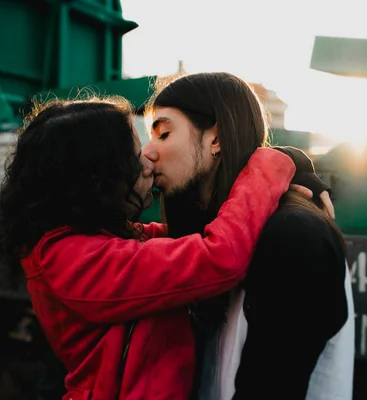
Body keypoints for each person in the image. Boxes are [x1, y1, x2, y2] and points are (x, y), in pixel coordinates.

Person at [0, 94, 325, 399]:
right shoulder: (75, 259)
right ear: (100, 173)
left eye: (161, 137)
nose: (149, 158)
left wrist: (292, 166)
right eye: (135, 153)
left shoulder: (99, 239)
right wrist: (268, 166)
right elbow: (219, 255)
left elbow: (195, 235)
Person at [142, 71, 355, 399]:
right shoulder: (213, 235)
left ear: (216, 139)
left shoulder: (294, 236)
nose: (149, 152)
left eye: (164, 133)